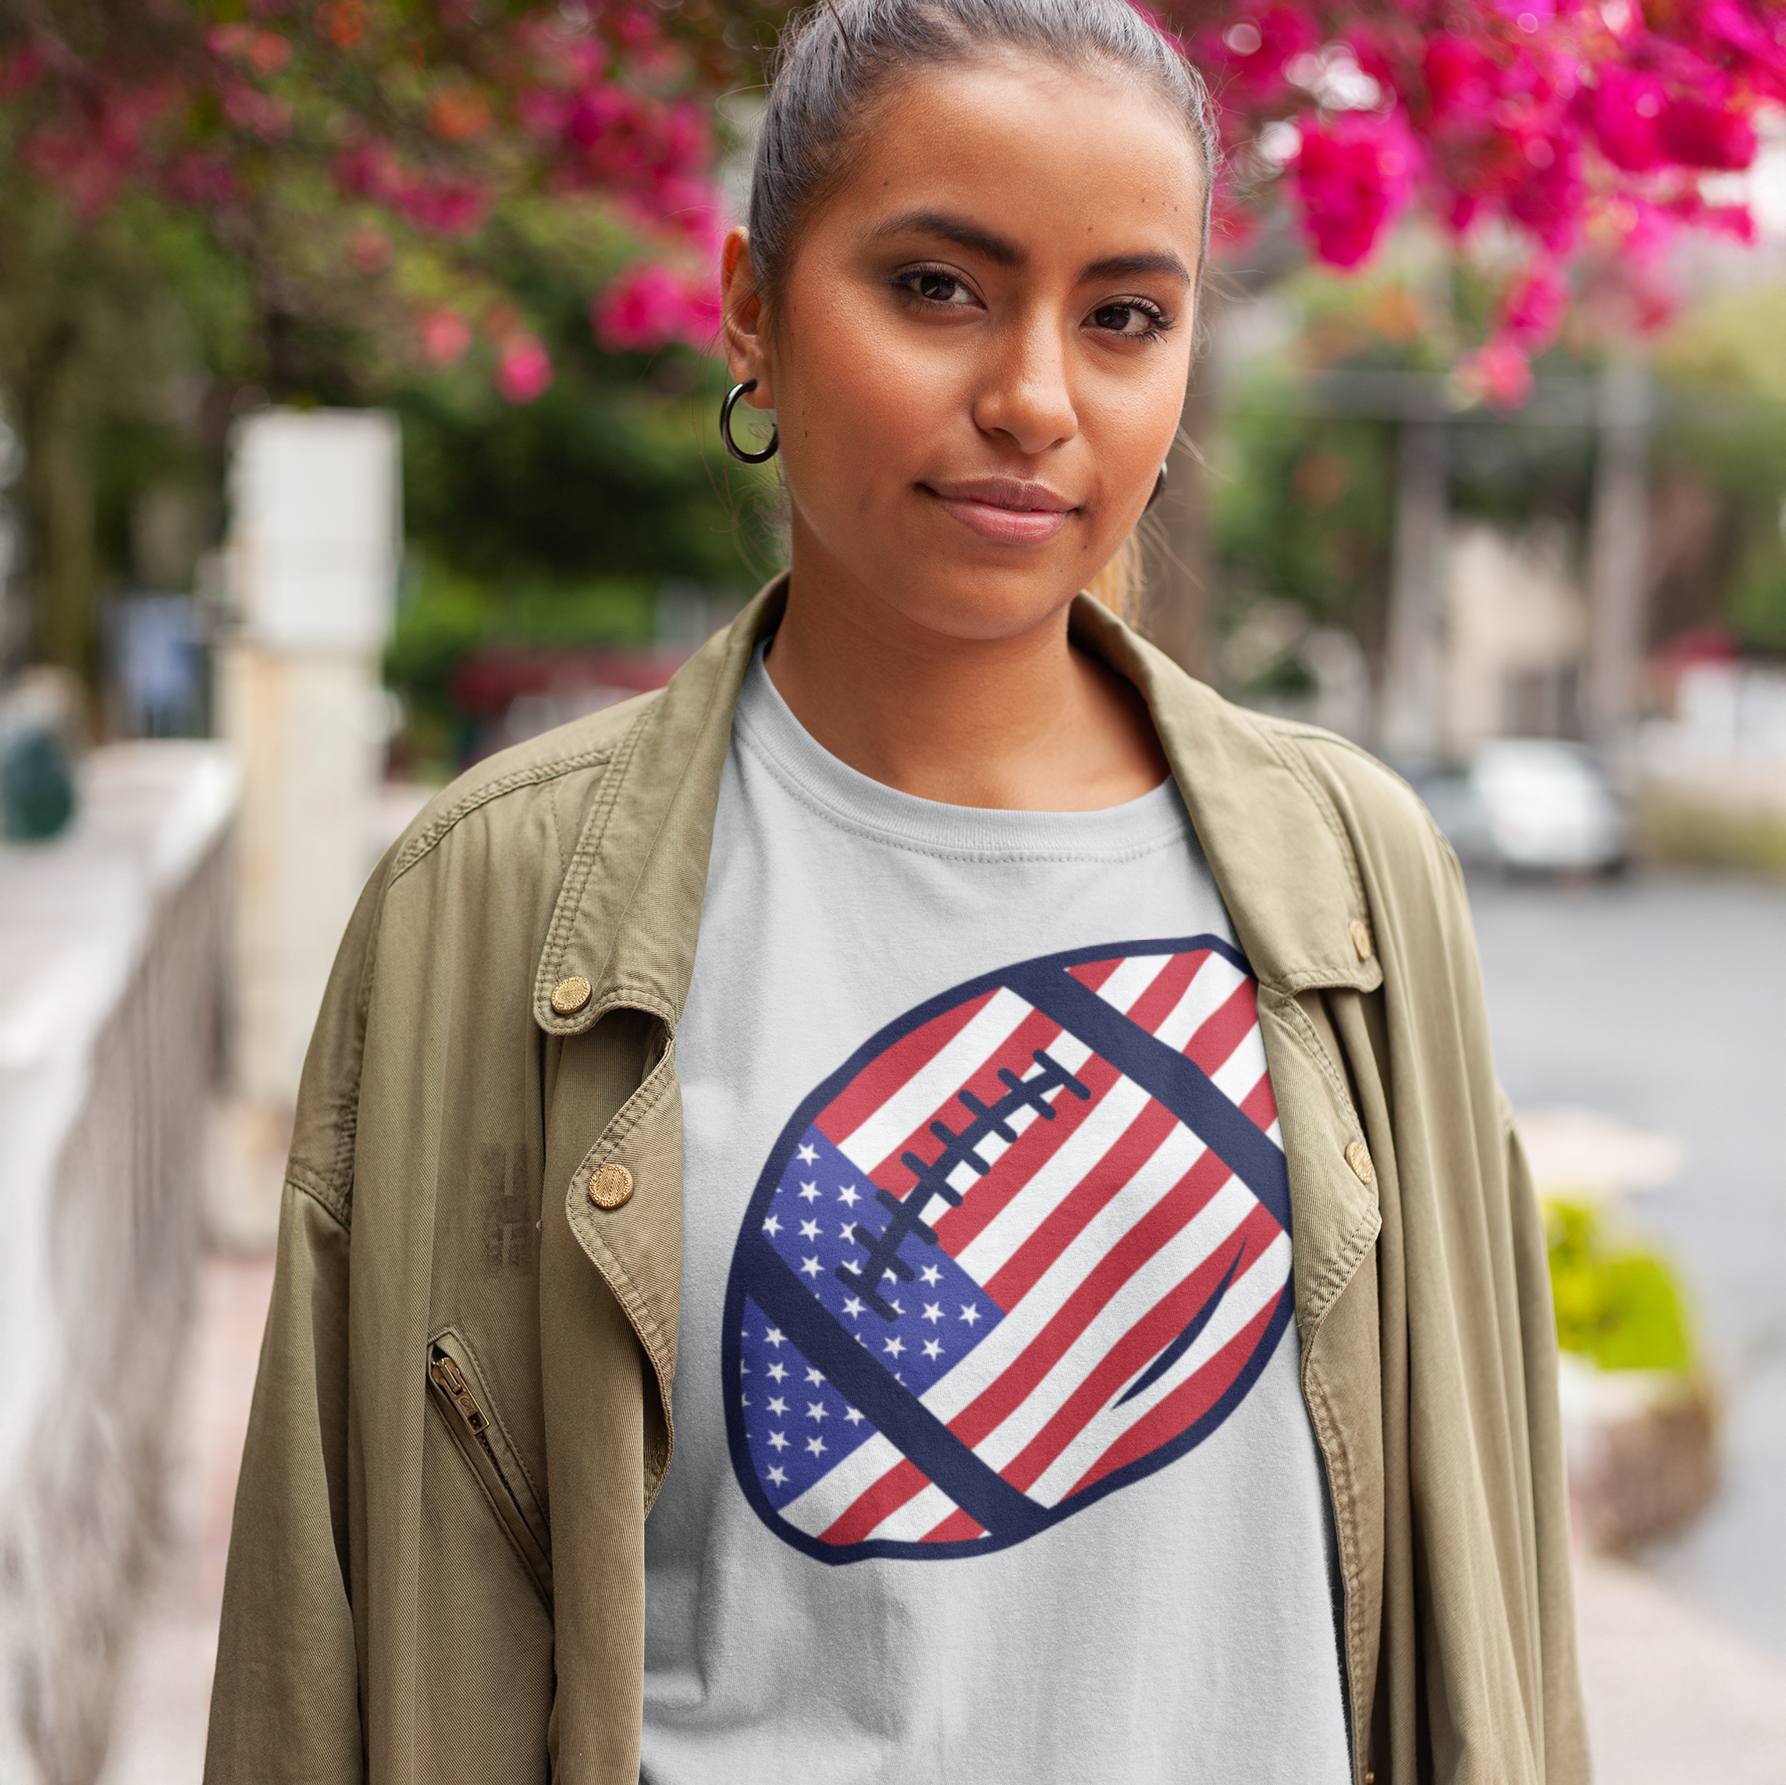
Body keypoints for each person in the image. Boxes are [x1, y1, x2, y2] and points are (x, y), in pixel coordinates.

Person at [205, 2, 1588, 1780]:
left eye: (1122, 317)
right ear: (753, 310)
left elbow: (1500, 1608)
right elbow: (318, 1646)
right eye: (937, 286)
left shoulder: (1355, 882)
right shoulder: (489, 902)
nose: (1030, 397)